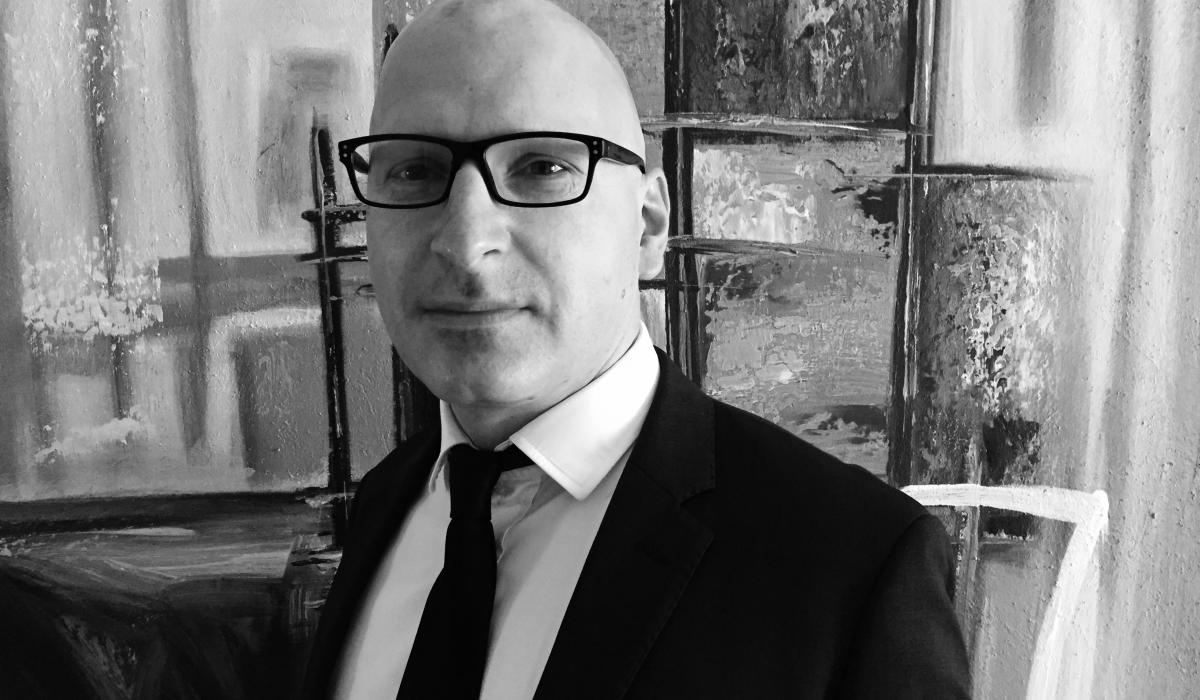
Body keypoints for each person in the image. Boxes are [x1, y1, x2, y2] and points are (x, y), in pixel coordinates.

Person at [302, 0, 970, 698]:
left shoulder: (853, 568)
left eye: (541, 168)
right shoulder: (387, 502)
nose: (466, 244)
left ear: (648, 224)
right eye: (414, 172)